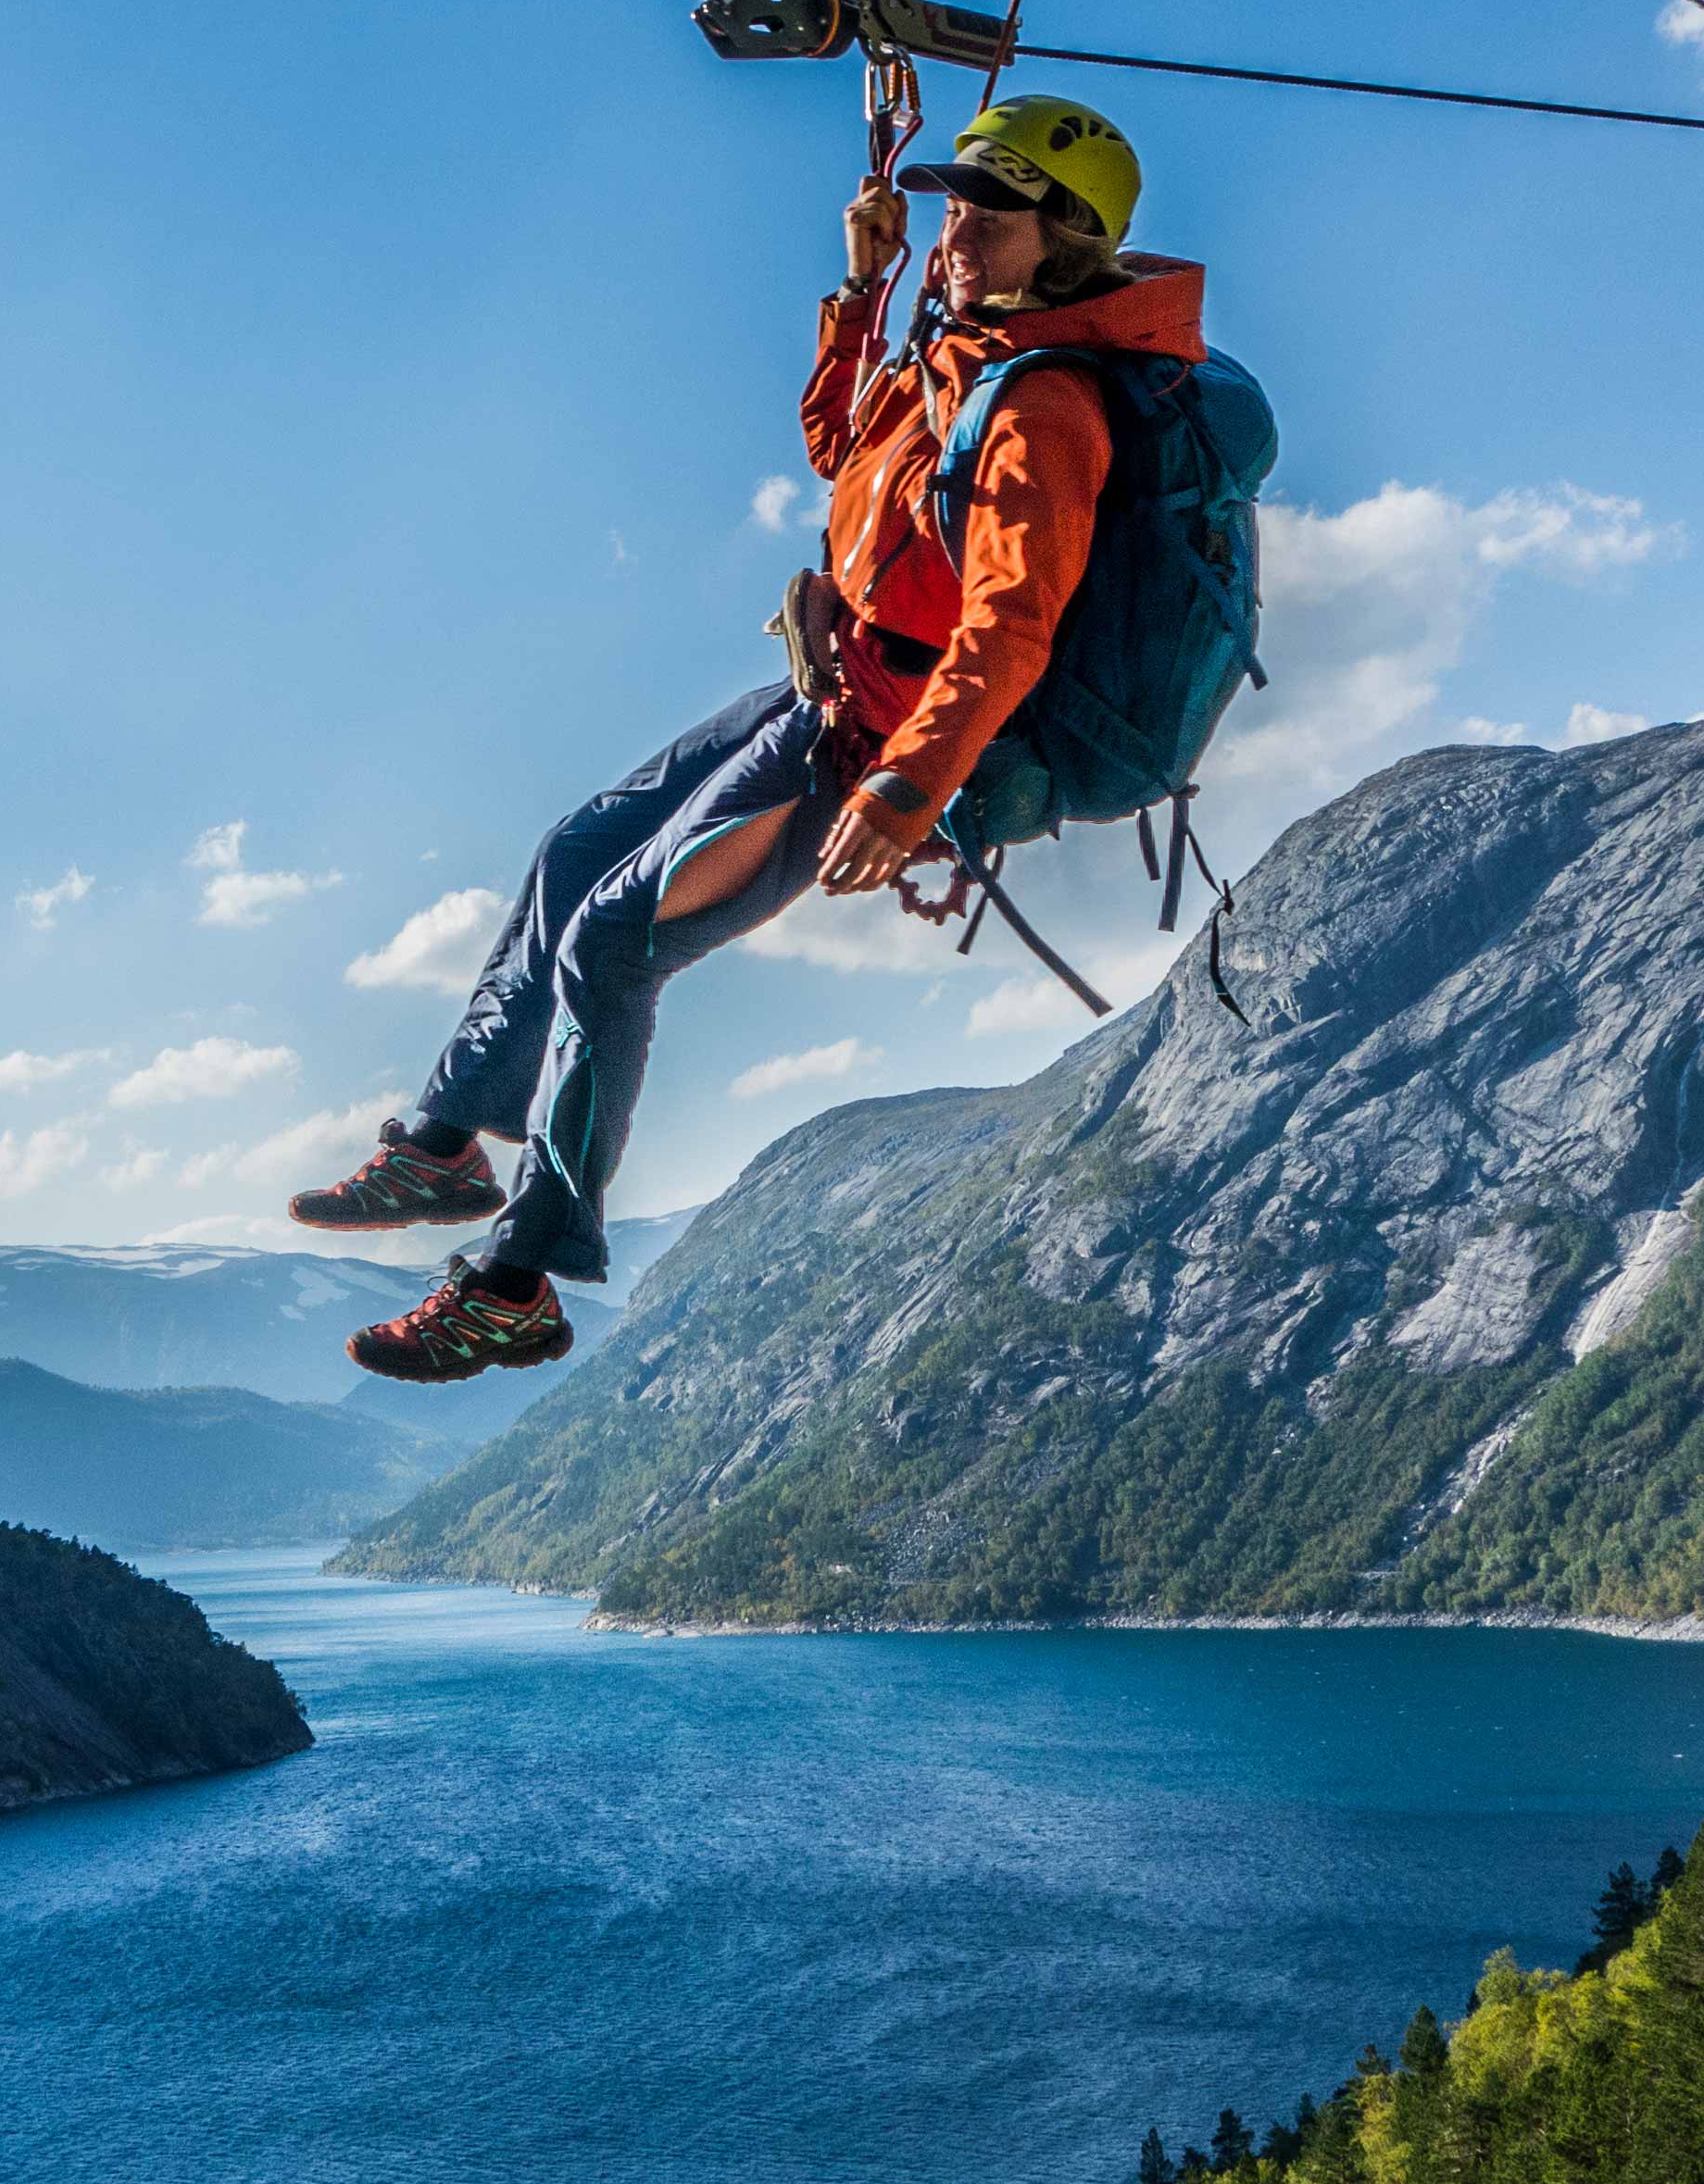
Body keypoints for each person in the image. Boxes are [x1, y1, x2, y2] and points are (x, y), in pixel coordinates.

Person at [291, 94, 1209, 1382]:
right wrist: (862, 290)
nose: (957, 231)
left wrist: (903, 790)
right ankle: (444, 1144)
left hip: (870, 739)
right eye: (954, 205)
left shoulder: (1041, 408)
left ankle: (514, 1283)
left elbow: (1011, 628)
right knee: (573, 852)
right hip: (825, 685)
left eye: (989, 214)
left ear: (1065, 239)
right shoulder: (963, 358)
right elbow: (840, 448)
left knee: (613, 942)